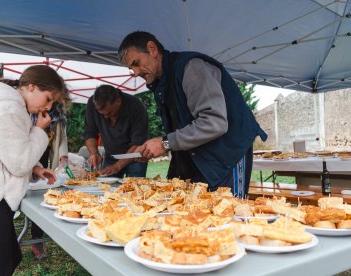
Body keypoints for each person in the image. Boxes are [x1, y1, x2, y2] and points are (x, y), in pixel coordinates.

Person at [118, 31, 267, 198]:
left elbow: (213, 122)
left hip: (227, 155)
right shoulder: (162, 83)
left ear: (152, 49)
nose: (136, 73)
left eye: (136, 63)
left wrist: (165, 143)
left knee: (230, 215)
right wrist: (153, 148)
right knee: (198, 217)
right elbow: (185, 127)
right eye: (131, 69)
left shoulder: (191, 67)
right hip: (201, 159)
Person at [0, 65, 70, 275]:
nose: (49, 106)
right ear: (32, 87)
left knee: (12, 257)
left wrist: (35, 169)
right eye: (49, 99)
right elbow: (18, 164)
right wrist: (39, 131)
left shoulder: (8, 106)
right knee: (0, 269)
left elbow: (5, 153)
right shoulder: (6, 109)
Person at [29, 102, 68, 260]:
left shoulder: (58, 107)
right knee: (26, 198)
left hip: (45, 157)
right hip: (27, 153)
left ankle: (37, 240)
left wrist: (63, 156)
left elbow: (62, 134)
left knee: (40, 197)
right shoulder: (27, 106)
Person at [84, 84, 149, 178]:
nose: (106, 117)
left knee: (136, 189)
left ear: (118, 101)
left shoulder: (136, 106)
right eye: (102, 115)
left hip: (135, 158)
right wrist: (94, 152)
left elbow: (138, 143)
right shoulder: (92, 103)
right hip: (111, 157)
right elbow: (89, 132)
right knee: (106, 190)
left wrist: (117, 166)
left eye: (110, 113)